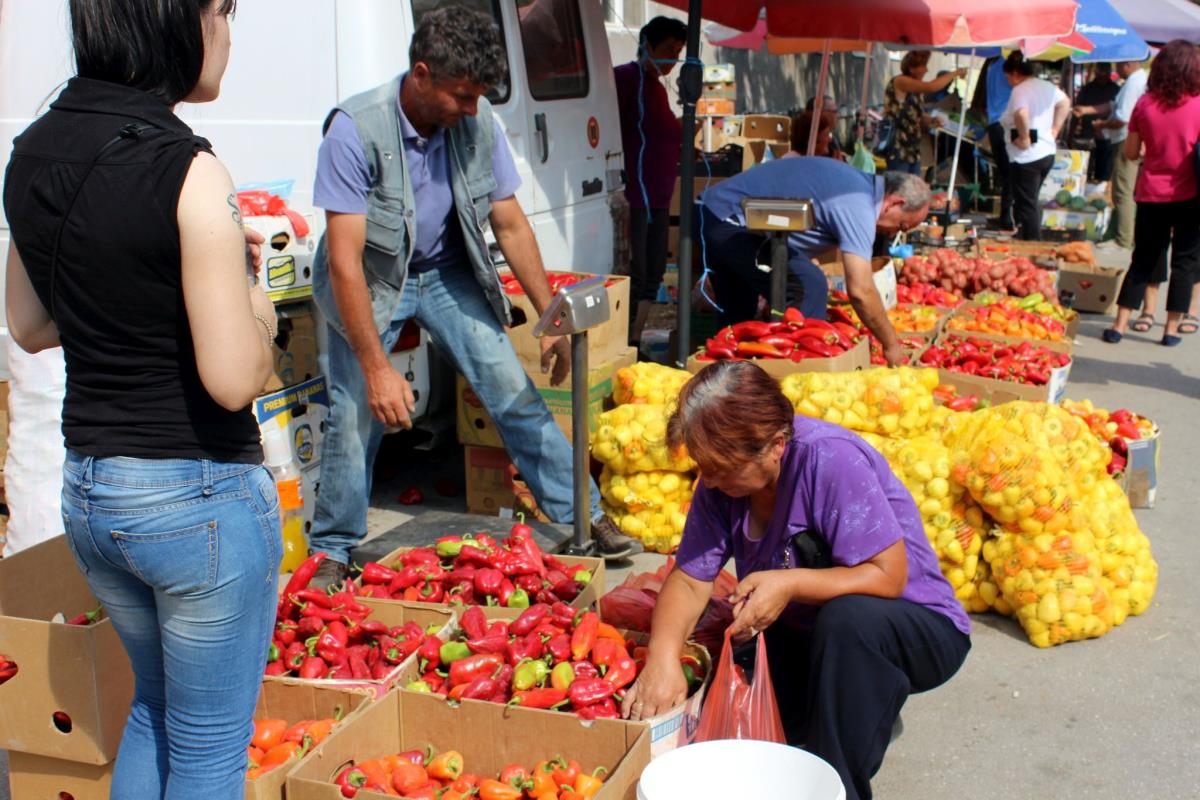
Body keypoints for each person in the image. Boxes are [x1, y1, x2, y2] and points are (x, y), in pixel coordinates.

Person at [3, 1, 282, 796]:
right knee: (209, 748)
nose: (228, 33)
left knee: (154, 713)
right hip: (198, 497)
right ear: (180, 19)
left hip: (93, 490)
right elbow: (235, 378)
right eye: (225, 12)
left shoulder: (33, 150)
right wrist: (250, 296)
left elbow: (26, 323)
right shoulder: (188, 168)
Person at [308, 7, 641, 585]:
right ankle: (333, 549)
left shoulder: (476, 121)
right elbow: (344, 263)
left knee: (511, 391)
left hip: (446, 272)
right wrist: (376, 366)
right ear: (421, 74)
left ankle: (581, 514)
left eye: (477, 97)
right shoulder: (354, 130)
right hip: (371, 281)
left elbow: (510, 225)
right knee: (353, 411)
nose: (471, 109)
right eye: (461, 95)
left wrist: (552, 315)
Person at [621, 361, 970, 800]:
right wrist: (662, 657)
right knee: (737, 685)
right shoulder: (718, 485)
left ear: (775, 446)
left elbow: (888, 576)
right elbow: (691, 580)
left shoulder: (830, 460)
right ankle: (849, 708)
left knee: (848, 622)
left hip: (917, 629)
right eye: (703, 467)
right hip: (813, 634)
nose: (709, 481)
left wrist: (789, 584)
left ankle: (841, 785)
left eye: (723, 468)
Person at [697, 158, 929, 365]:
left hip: (718, 213)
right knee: (809, 285)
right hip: (730, 221)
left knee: (738, 325)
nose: (893, 234)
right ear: (894, 203)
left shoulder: (856, 186)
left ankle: (728, 383)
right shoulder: (859, 203)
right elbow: (861, 290)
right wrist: (891, 345)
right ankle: (796, 376)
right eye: (901, 226)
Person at [1102, 40, 1200, 347]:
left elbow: (1131, 153)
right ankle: (1170, 330)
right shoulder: (1198, 104)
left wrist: (1151, 152)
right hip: (1191, 194)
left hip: (1151, 193)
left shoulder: (1145, 105)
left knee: (1143, 258)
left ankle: (1120, 324)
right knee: (1185, 261)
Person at [614, 16, 686, 316]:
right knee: (636, 273)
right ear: (647, 45)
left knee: (654, 273)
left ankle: (638, 338)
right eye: (668, 49)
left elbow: (663, 133)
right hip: (636, 196)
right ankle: (629, 337)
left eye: (678, 54)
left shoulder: (657, 88)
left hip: (659, 196)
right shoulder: (624, 78)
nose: (672, 60)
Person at [1073, 60, 1148, 250]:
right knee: (1120, 190)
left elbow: (1122, 118)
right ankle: (1117, 234)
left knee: (1123, 191)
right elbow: (1112, 106)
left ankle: (1123, 239)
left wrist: (1101, 125)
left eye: (1118, 66)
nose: (1115, 70)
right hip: (1125, 139)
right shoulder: (1132, 82)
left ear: (1128, 64)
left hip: (1125, 139)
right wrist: (1087, 110)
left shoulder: (1133, 84)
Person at [1001, 52, 1071, 241]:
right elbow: (1065, 103)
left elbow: (1021, 113)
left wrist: (1024, 137)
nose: (1008, 82)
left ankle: (1033, 242)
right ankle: (1025, 235)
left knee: (1027, 203)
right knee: (1029, 199)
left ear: (1015, 73)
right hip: (1046, 151)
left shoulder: (1021, 90)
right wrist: (1055, 129)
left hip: (1027, 155)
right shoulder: (1047, 86)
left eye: (1008, 77)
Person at [882, 51, 966, 174]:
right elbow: (932, 87)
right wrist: (956, 73)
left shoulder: (916, 89)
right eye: (923, 66)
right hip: (897, 148)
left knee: (913, 188)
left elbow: (918, 115)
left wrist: (932, 120)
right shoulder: (900, 81)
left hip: (912, 149)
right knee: (899, 188)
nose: (927, 70)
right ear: (912, 69)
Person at [982, 55, 1016, 231]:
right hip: (1006, 124)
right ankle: (1008, 218)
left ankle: (1005, 216)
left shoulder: (992, 65)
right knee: (1012, 173)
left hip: (994, 124)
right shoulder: (1008, 67)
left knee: (1005, 174)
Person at [1071, 64, 1120, 183]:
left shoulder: (1116, 89)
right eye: (1100, 74)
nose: (1102, 77)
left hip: (1108, 135)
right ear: (1096, 74)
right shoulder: (1087, 89)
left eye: (1105, 74)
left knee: (1104, 170)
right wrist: (1071, 134)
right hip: (1088, 134)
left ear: (1109, 74)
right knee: (1085, 169)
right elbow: (1077, 111)